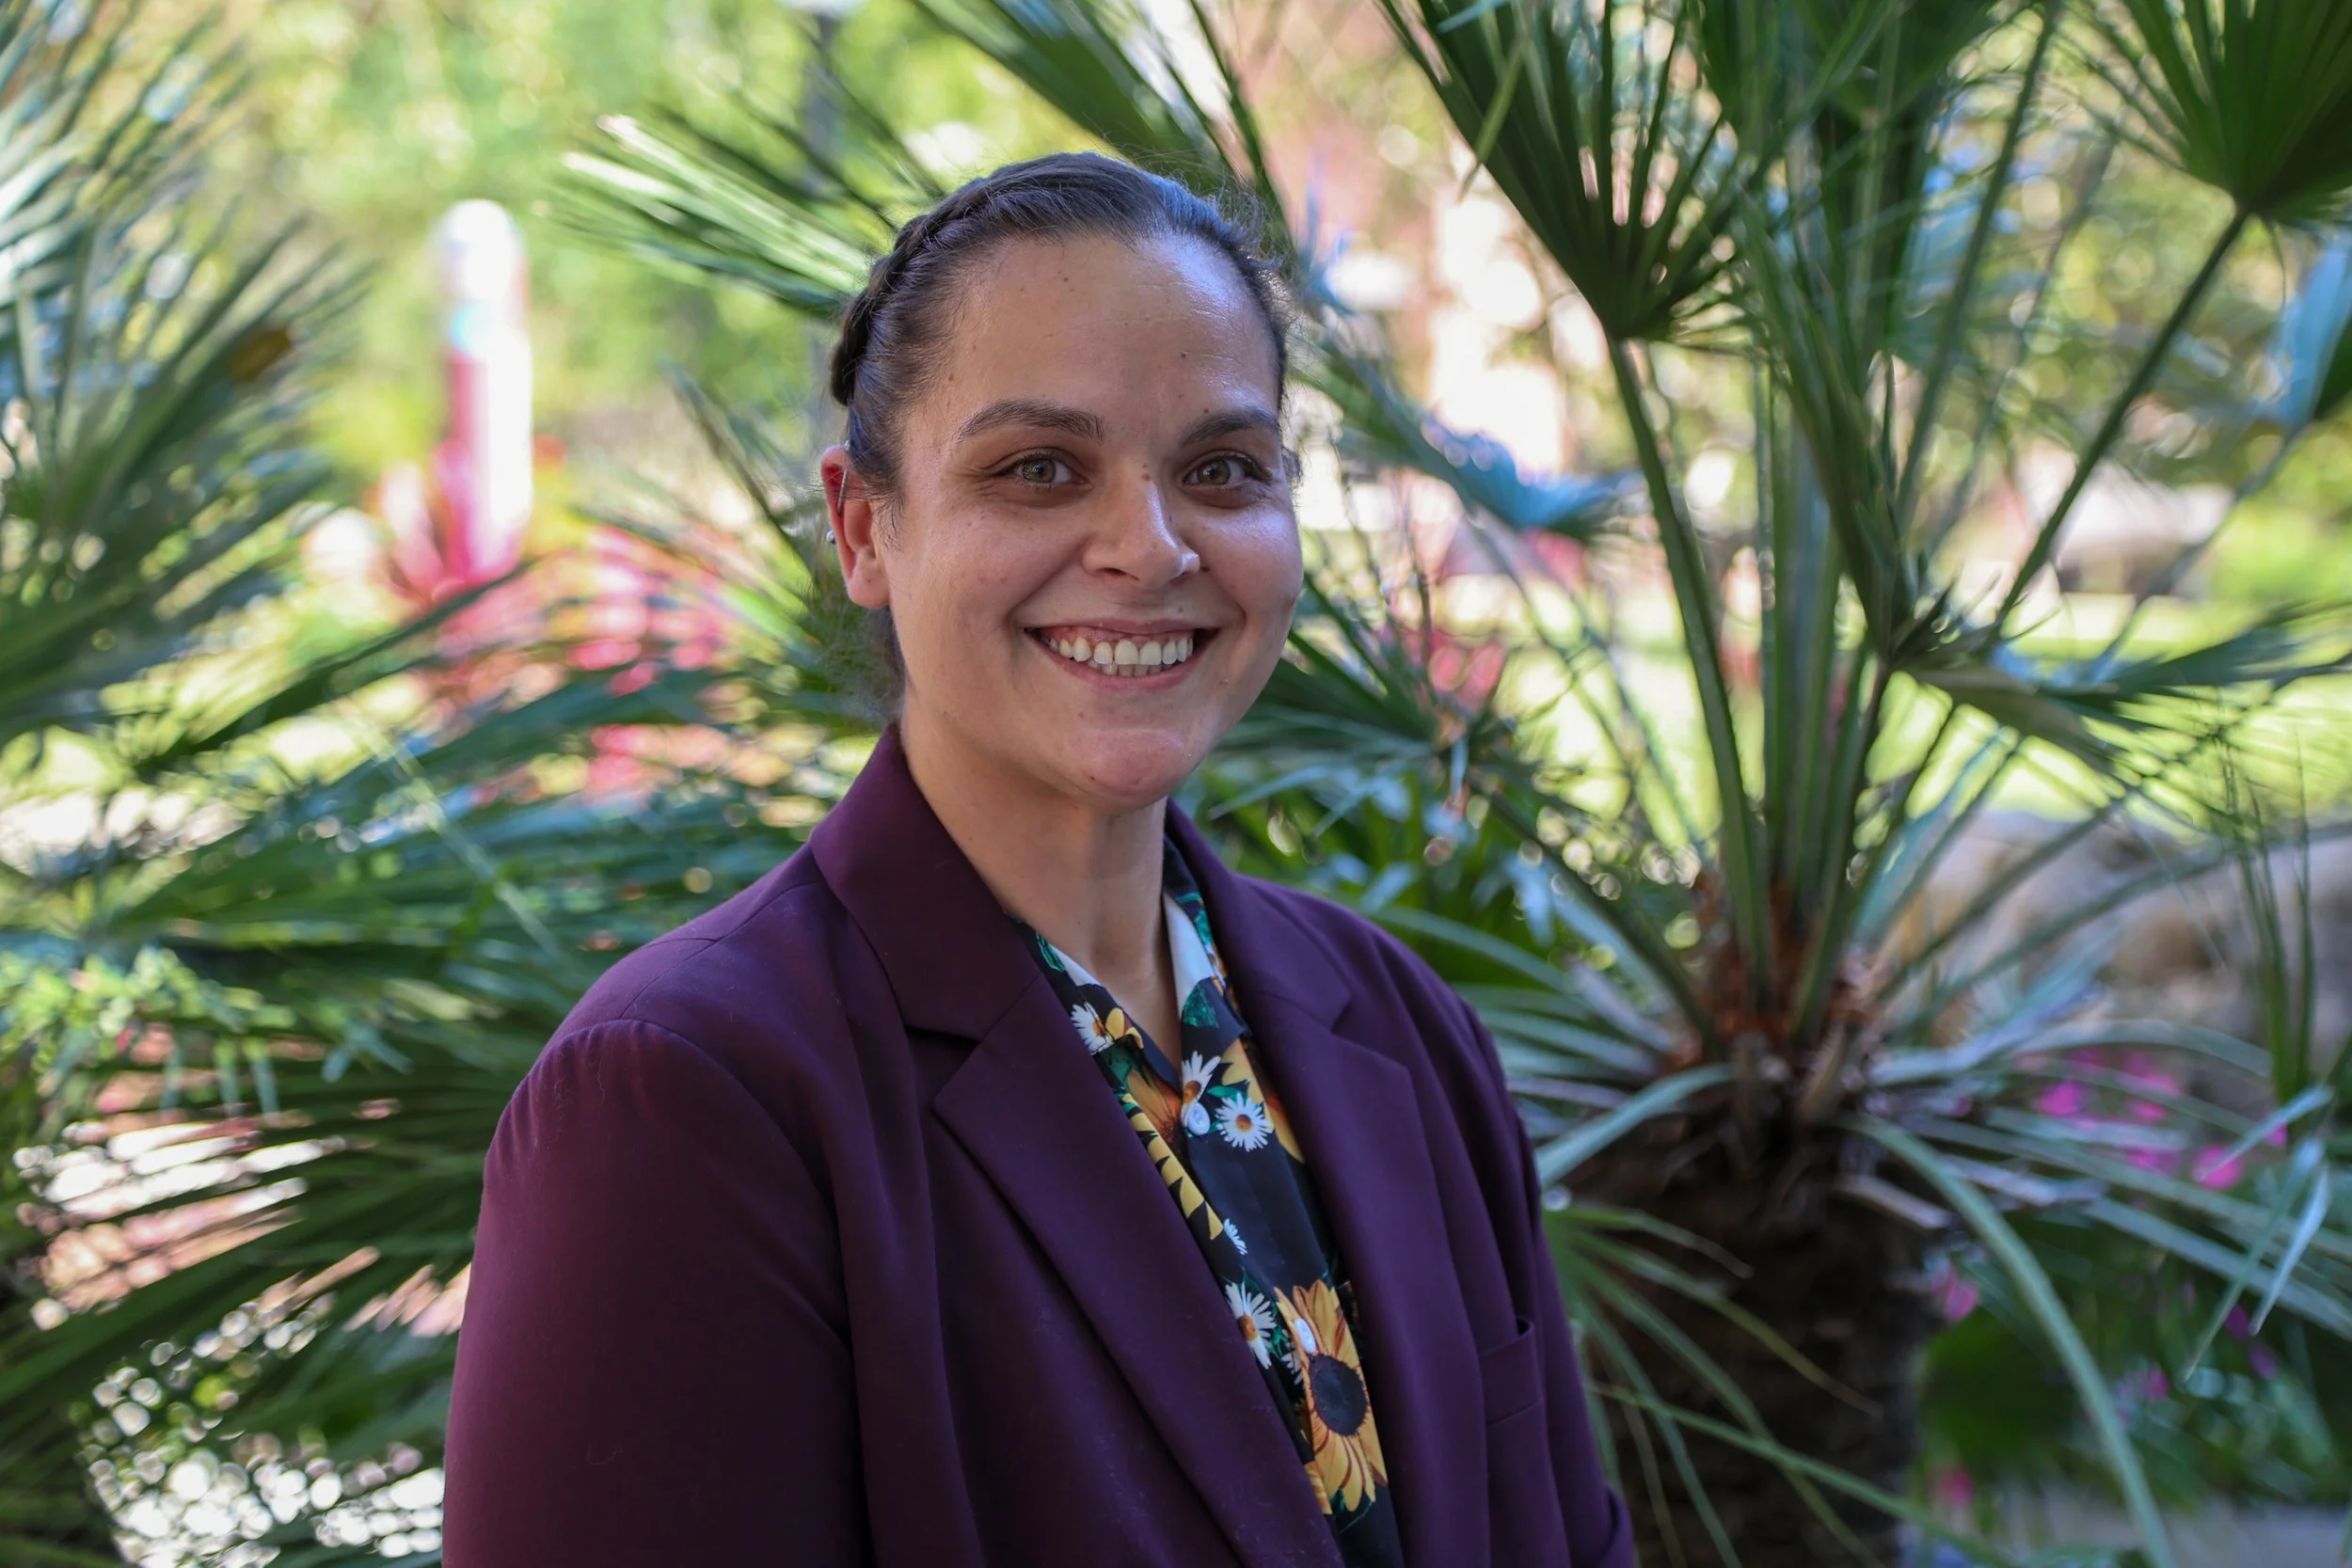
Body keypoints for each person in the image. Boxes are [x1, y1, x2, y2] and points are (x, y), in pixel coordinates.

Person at [442, 150, 1631, 1568]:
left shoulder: (1403, 1029)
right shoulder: (686, 1097)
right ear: (864, 528)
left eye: (1221, 469)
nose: (1149, 545)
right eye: (1038, 470)